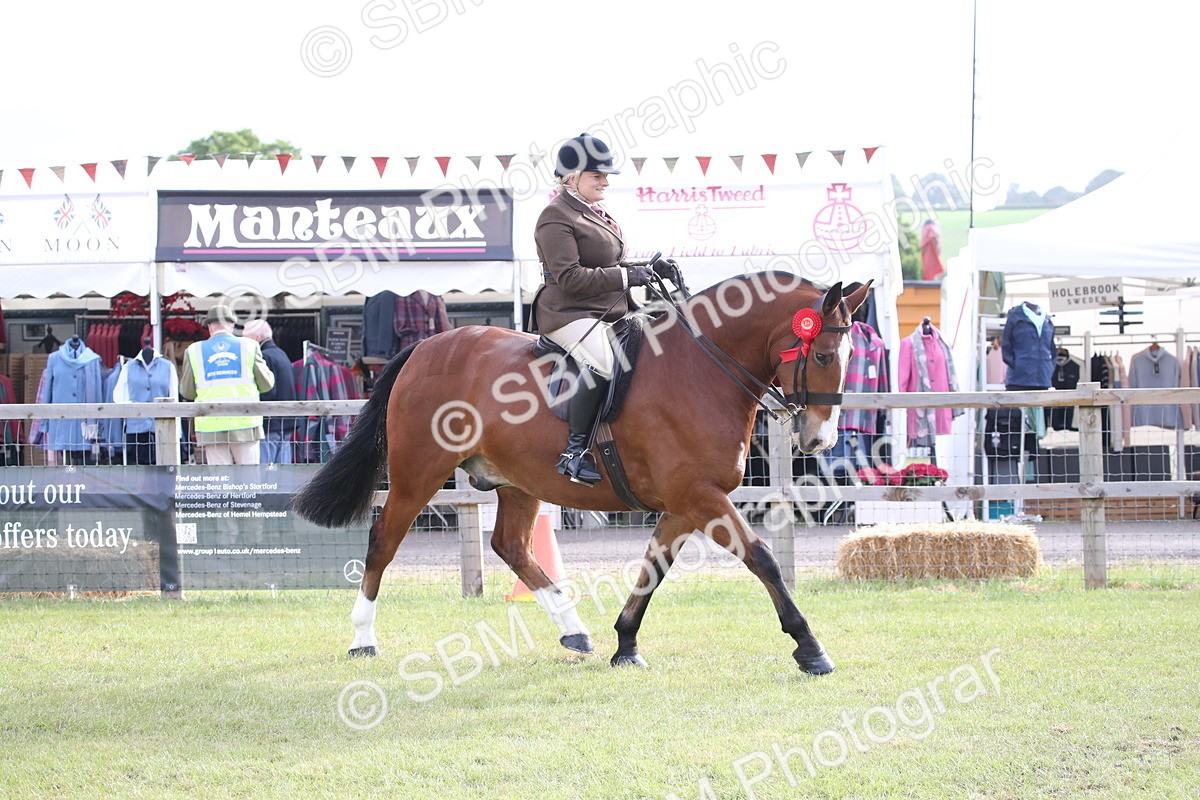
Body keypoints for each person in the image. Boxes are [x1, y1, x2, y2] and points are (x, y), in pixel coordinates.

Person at [533, 132, 674, 486]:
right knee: (604, 360)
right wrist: (628, 275)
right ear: (571, 177)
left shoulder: (598, 214)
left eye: (605, 176)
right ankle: (574, 452)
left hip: (610, 310)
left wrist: (650, 268)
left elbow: (614, 263)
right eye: (597, 175)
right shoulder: (555, 217)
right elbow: (571, 278)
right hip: (569, 313)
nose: (605, 181)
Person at [179, 305, 275, 465]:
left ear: (209, 327)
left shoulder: (193, 351)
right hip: (245, 423)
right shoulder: (249, 346)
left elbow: (187, 392)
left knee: (220, 483)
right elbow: (267, 384)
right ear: (231, 325)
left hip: (211, 426)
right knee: (249, 481)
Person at [244, 319, 299, 464]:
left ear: (255, 338)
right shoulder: (280, 353)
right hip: (285, 420)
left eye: (245, 339)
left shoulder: (265, 356)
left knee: (267, 472)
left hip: (271, 423)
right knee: (282, 470)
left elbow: (268, 391)